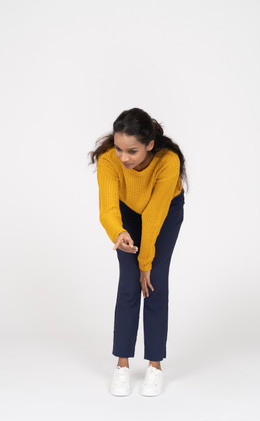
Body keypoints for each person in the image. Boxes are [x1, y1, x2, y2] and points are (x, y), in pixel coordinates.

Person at [88, 107, 188, 397]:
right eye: (119, 149)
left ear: (150, 144)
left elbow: (155, 215)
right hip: (127, 212)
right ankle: (122, 364)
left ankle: (155, 366)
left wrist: (147, 262)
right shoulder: (109, 160)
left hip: (165, 212)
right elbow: (107, 208)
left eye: (132, 151)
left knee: (154, 281)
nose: (123, 157)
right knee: (129, 283)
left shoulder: (168, 161)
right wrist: (119, 235)